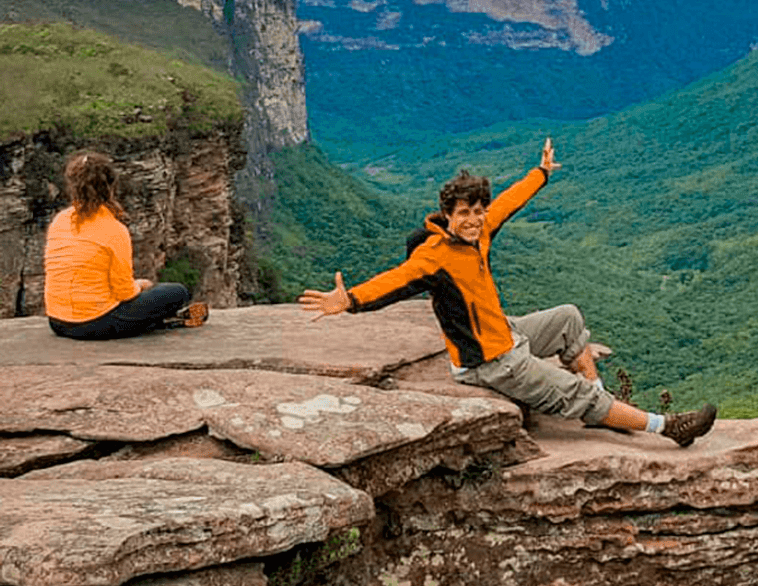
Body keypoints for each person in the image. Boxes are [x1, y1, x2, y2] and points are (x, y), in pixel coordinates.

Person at [299, 138, 717, 446]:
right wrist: (348, 300)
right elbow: (391, 282)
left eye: (478, 212)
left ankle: (603, 410)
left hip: (506, 331)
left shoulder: (479, 231)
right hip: (490, 362)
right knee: (575, 393)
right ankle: (666, 427)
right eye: (465, 214)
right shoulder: (434, 256)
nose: (475, 220)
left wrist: (541, 173)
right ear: (447, 216)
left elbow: (509, 202)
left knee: (569, 317)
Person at [44, 151, 209, 340]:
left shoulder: (60, 221)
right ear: (111, 187)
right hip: (95, 323)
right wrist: (140, 285)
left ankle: (149, 320)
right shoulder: (114, 229)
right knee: (178, 292)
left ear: (72, 186)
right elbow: (124, 292)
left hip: (57, 321)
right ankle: (156, 320)